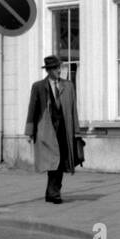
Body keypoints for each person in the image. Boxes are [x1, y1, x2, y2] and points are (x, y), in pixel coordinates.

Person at [25, 55, 81, 204]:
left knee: (61, 162)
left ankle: (52, 192)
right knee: (52, 161)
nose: (59, 71)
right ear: (48, 70)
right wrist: (29, 132)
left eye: (59, 67)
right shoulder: (38, 87)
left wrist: (76, 131)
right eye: (56, 68)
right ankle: (54, 193)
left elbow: (73, 109)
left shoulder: (68, 86)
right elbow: (32, 109)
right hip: (46, 131)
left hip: (64, 129)